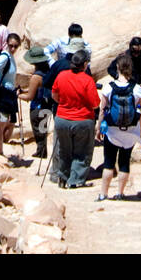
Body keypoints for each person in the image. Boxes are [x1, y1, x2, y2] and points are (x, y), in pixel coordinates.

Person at [97, 52, 141, 202]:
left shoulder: (109, 87)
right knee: (124, 162)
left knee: (109, 162)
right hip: (131, 132)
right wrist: (140, 130)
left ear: (117, 67)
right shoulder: (137, 88)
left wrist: (99, 128)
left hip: (112, 131)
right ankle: (120, 193)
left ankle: (103, 194)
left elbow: (102, 110)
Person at [50, 48, 100, 188]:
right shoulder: (88, 80)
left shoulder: (61, 76)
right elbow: (95, 104)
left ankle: (62, 177)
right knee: (82, 152)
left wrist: (64, 103)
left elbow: (54, 95)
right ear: (84, 64)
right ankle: (76, 180)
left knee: (64, 150)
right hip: (83, 120)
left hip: (62, 119)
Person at [17, 44, 53, 160]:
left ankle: (41, 152)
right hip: (46, 105)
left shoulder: (36, 77)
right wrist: (25, 91)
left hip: (37, 107)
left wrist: (19, 95)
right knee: (43, 129)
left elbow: (30, 96)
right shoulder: (48, 72)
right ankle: (42, 151)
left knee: (38, 130)